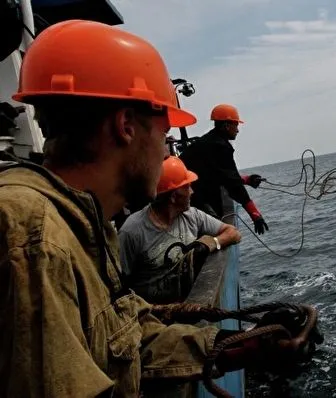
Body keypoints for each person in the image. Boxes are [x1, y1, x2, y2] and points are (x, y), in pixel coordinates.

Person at [0, 20, 316, 397]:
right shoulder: (35, 239)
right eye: (165, 134)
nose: (169, 152)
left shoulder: (81, 226)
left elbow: (128, 341)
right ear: (126, 126)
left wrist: (248, 345)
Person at [119, 156, 241, 304]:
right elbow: (119, 283)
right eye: (187, 187)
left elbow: (234, 233)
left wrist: (211, 243)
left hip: (187, 305)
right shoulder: (132, 231)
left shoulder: (192, 216)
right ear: (173, 197)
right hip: (154, 317)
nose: (191, 192)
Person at [179, 104, 269, 234]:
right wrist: (255, 215)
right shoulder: (219, 146)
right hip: (191, 194)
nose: (237, 130)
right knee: (217, 230)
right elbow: (234, 186)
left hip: (190, 189)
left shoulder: (209, 141)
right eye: (236, 125)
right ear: (227, 125)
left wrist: (247, 179)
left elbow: (220, 174)